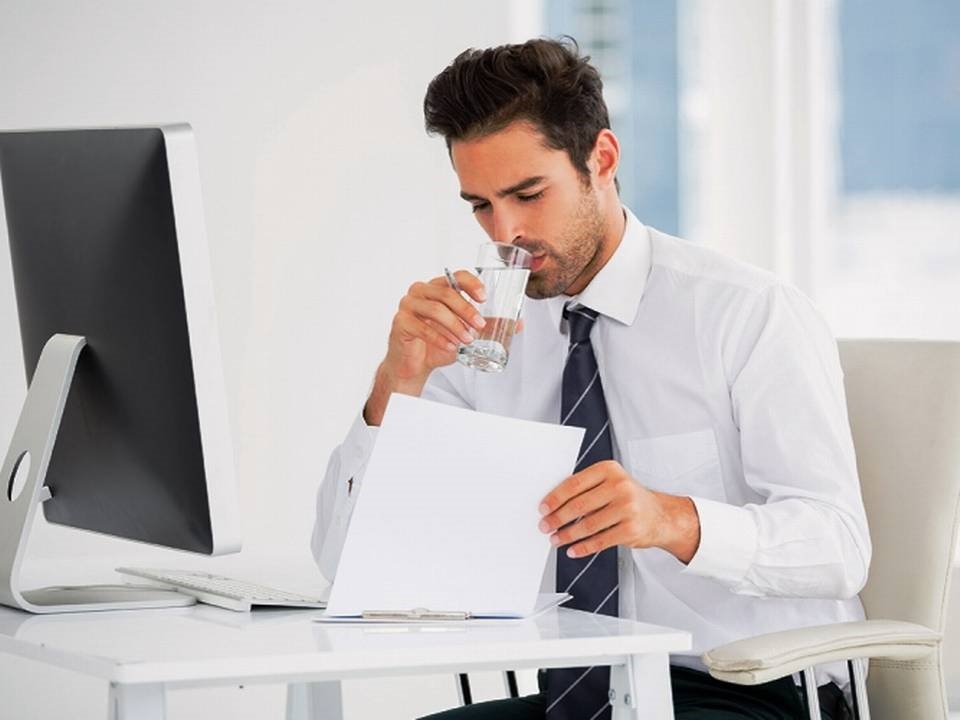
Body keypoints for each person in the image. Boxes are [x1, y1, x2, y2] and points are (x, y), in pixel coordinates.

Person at [312, 38, 869, 720]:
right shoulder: (487, 337)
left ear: (601, 160)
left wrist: (672, 520)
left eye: (527, 194)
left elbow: (839, 546)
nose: (506, 232)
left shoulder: (746, 315)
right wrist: (394, 385)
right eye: (481, 205)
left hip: (748, 688)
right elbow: (346, 563)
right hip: (575, 694)